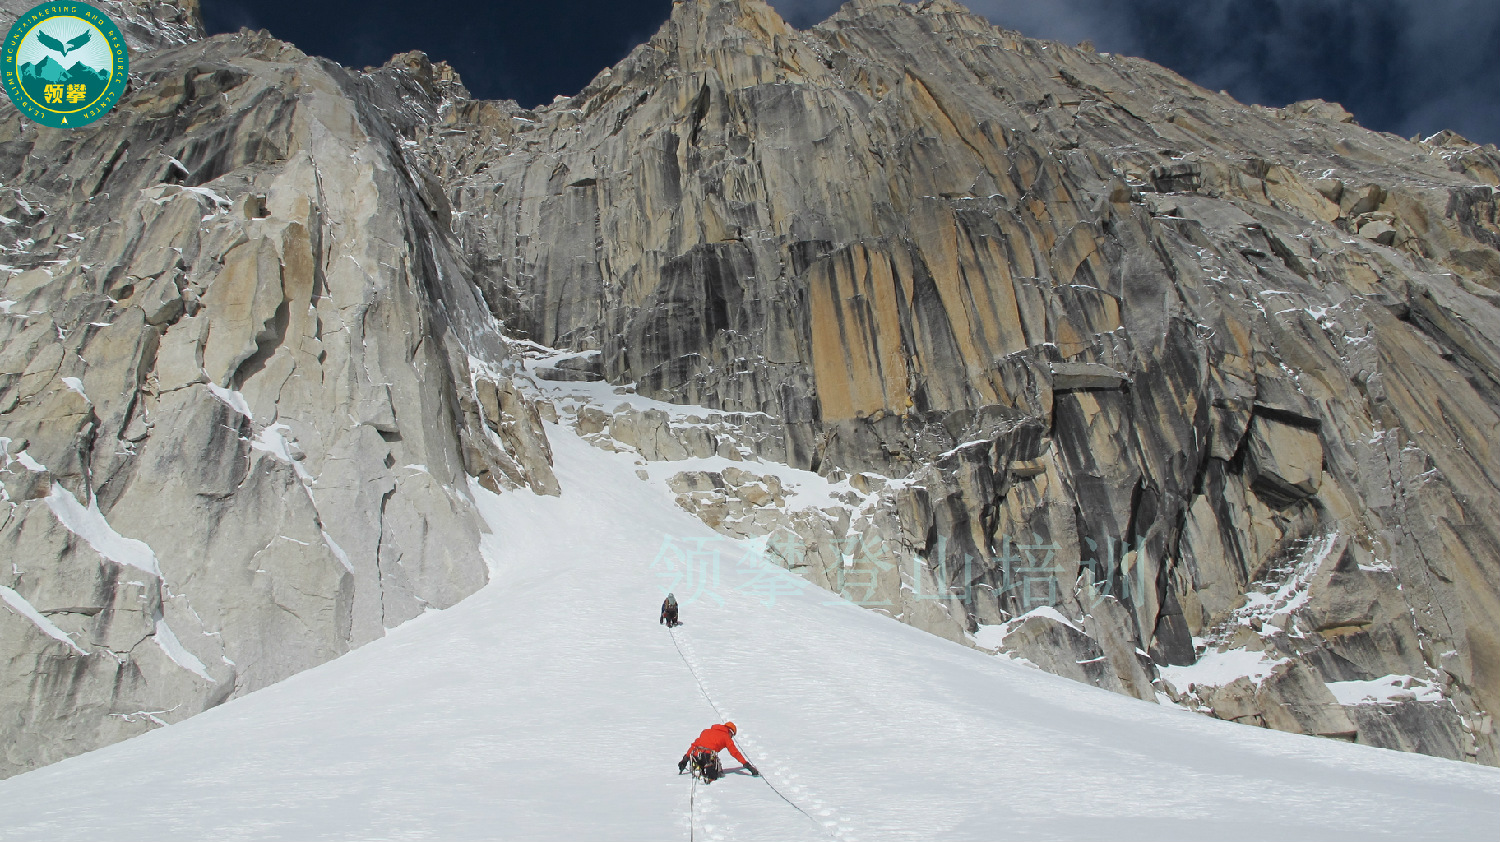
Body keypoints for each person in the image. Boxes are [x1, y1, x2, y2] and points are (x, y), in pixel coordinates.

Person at [678, 721, 758, 782]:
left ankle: (699, 769)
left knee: (700, 757)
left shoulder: (706, 731)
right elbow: (735, 753)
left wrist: (685, 759)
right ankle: (709, 776)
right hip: (708, 757)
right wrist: (747, 765)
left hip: (696, 756)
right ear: (731, 732)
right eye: (732, 736)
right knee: (714, 775)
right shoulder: (726, 737)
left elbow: (694, 746)